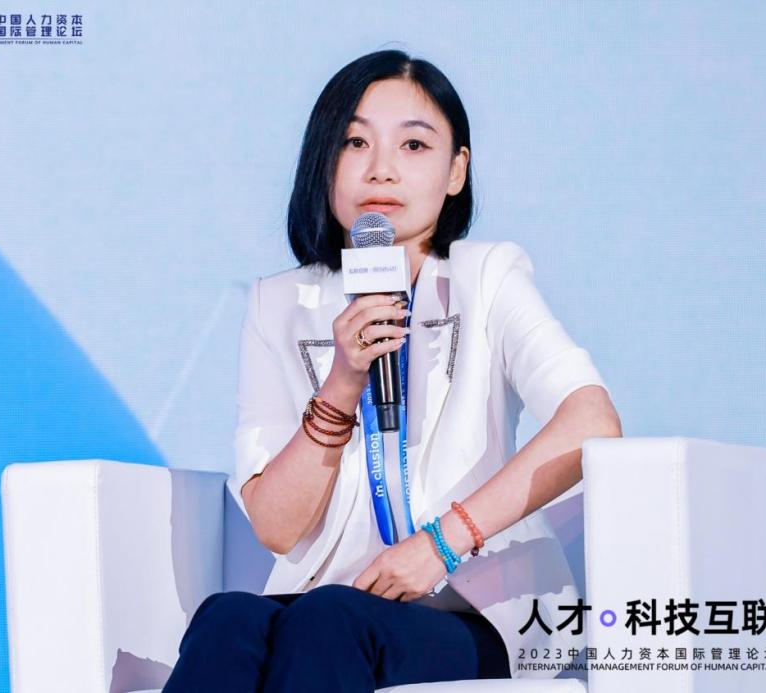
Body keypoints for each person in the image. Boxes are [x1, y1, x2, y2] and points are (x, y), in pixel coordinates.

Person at [163, 49, 622, 692]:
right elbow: (276, 527)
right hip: (337, 599)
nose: (380, 168)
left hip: (477, 610)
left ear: (456, 170)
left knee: (330, 619)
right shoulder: (279, 305)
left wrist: (441, 543)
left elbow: (591, 420)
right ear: (324, 163)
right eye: (355, 142)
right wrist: (343, 381)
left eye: (413, 145)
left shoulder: (487, 278)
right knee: (227, 619)